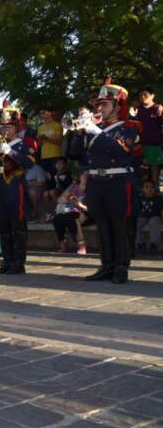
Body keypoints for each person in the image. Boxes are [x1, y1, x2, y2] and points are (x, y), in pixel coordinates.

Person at [67, 80, 138, 283]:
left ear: (118, 106)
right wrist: (79, 131)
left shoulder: (128, 127)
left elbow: (123, 151)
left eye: (104, 104)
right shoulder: (93, 128)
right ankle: (106, 265)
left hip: (118, 180)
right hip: (96, 181)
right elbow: (74, 154)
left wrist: (96, 132)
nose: (99, 108)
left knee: (119, 224)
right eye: (98, 104)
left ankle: (121, 267)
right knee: (102, 224)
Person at [0, 102, 36, 275]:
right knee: (3, 225)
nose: (4, 130)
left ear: (16, 127)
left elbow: (29, 162)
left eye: (8, 126)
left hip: (15, 184)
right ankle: (7, 260)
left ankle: (18, 262)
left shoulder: (24, 144)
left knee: (17, 224)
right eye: (2, 127)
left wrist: (10, 152)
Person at [136, 88, 162, 187]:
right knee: (143, 170)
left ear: (152, 96)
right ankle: (143, 191)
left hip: (154, 144)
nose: (142, 97)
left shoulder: (158, 108)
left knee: (155, 167)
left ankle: (155, 189)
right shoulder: (139, 109)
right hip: (141, 144)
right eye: (140, 95)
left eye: (145, 94)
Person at [136, 180, 161, 254]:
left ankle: (154, 245)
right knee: (137, 223)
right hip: (142, 217)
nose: (149, 189)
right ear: (142, 189)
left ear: (155, 188)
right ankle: (139, 244)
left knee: (155, 222)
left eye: (152, 187)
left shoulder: (158, 198)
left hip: (154, 216)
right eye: (147, 187)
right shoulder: (139, 198)